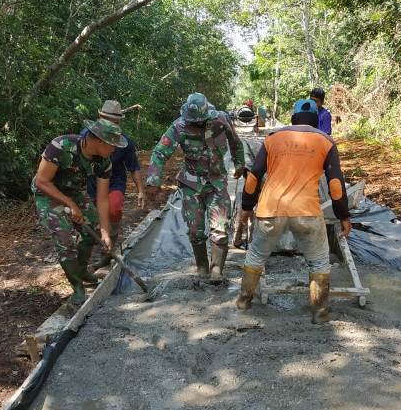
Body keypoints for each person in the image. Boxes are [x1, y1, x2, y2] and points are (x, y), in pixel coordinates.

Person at [235, 99, 352, 324]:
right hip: (306, 210)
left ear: (293, 117)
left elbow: (253, 177)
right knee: (318, 262)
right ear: (317, 119)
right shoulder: (326, 141)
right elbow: (336, 184)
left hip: (271, 209)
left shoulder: (273, 139)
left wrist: (246, 208)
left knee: (257, 256)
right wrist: (343, 216)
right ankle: (319, 312)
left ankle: (243, 301)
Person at [146, 93, 244, 280]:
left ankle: (217, 270)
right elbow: (159, 152)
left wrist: (239, 164)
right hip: (191, 184)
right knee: (194, 230)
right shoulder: (179, 126)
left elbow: (236, 143)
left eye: (201, 121)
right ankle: (202, 266)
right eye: (194, 122)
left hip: (216, 183)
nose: (198, 124)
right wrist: (153, 180)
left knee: (220, 228)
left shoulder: (220, 119)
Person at [31, 118, 125, 305]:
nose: (114, 150)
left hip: (73, 194)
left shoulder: (104, 162)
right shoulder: (61, 146)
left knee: (94, 231)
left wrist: (105, 232)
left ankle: (81, 270)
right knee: (65, 239)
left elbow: (102, 198)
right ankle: (77, 287)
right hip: (47, 194)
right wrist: (69, 204)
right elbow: (41, 181)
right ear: (98, 141)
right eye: (111, 145)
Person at [82, 101, 146, 269]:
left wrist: (140, 190)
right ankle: (87, 256)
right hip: (93, 182)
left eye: (114, 121)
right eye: (106, 119)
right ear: (100, 118)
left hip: (115, 181)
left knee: (114, 208)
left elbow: (134, 167)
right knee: (93, 219)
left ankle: (108, 251)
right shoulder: (86, 137)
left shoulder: (125, 142)